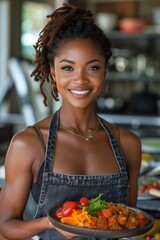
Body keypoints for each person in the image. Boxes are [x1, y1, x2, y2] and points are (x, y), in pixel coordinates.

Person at [0, 3, 142, 240]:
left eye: (92, 67)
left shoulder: (128, 144)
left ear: (105, 71)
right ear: (54, 73)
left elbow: (131, 222)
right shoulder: (29, 144)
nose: (80, 80)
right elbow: (4, 227)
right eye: (68, 68)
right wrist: (50, 223)